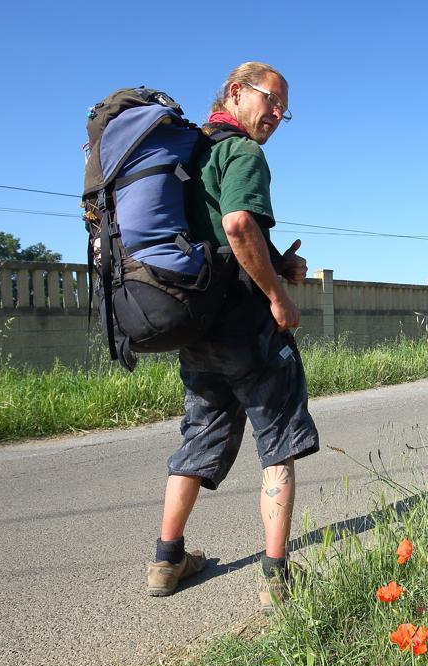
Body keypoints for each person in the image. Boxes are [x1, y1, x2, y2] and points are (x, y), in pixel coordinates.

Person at [145, 62, 319, 611]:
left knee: (197, 440)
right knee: (279, 444)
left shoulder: (189, 156)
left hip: (198, 327)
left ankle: (167, 559)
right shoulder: (242, 153)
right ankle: (275, 577)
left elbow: (219, 240)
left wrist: (274, 265)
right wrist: (278, 296)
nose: (276, 115)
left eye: (283, 109)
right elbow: (239, 225)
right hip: (249, 328)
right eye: (270, 100)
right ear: (236, 93)